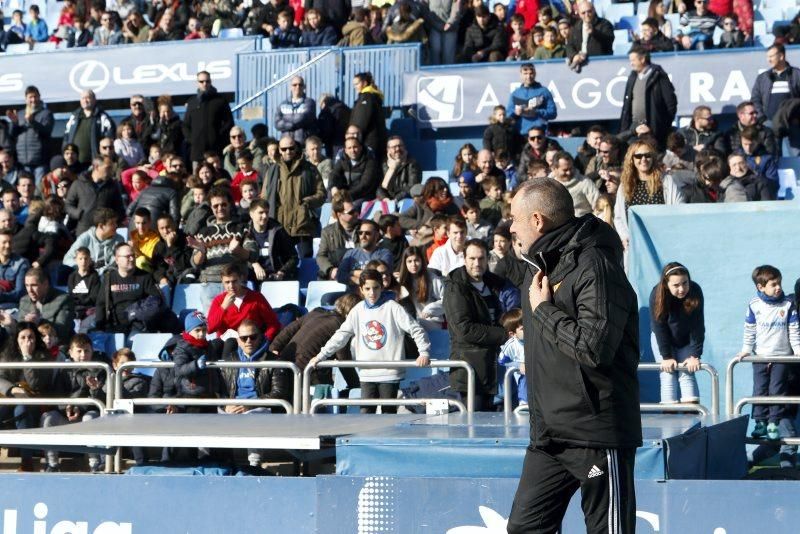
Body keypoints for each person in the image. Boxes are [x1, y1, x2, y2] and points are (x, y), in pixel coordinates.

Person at [506, 178, 641, 534]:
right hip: (549, 436)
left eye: (514, 218)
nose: (510, 226)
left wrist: (544, 311)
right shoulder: (538, 267)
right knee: (524, 528)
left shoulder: (595, 264)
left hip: (594, 436)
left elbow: (594, 348)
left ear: (537, 220)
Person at [309, 269, 431, 414]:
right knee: (365, 414)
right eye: (367, 289)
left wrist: (424, 352)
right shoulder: (357, 310)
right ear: (361, 290)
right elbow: (340, 336)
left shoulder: (393, 307)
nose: (372, 293)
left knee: (388, 414)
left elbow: (416, 329)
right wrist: (321, 355)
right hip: (366, 373)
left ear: (382, 287)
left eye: (376, 288)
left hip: (389, 373)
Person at [443, 238, 519, 411]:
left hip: (492, 366)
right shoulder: (456, 287)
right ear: (464, 259)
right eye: (472, 258)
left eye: (481, 258)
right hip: (470, 367)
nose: (477, 263)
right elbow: (465, 329)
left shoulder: (496, 284)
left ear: (487, 259)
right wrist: (505, 335)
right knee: (473, 427)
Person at [735, 265, 800, 441]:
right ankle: (760, 422)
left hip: (782, 356)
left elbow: (793, 329)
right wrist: (746, 350)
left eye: (779, 283)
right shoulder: (755, 305)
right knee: (760, 389)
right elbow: (750, 329)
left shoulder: (787, 304)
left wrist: (797, 350)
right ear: (760, 287)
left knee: (777, 389)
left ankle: (773, 422)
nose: (778, 287)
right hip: (761, 356)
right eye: (773, 284)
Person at [41, 333, 107, 472]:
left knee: (91, 418)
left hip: (86, 414)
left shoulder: (100, 370)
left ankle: (94, 463)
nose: (83, 355)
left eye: (87, 350)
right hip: (66, 415)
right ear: (70, 352)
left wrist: (95, 389)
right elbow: (57, 396)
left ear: (92, 351)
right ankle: (52, 464)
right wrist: (67, 407)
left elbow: (104, 400)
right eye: (79, 351)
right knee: (48, 418)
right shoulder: (63, 371)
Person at [0, 322, 54, 471]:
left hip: (33, 402)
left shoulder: (43, 356)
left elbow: (36, 384)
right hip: (11, 398)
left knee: (21, 410)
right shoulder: (7, 355)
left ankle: (27, 461)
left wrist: (27, 357)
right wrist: (12, 389)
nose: (27, 341)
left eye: (30, 337)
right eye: (22, 337)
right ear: (16, 339)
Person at [613, 140, 685, 251]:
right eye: (638, 156)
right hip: (634, 245)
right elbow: (618, 216)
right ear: (632, 159)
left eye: (648, 155)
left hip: (662, 243)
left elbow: (679, 209)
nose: (643, 159)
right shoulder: (625, 185)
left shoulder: (666, 181)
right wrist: (624, 236)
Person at [262, 135, 326, 258]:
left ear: (296, 148)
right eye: (284, 149)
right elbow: (265, 198)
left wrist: (307, 202)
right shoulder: (272, 171)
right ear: (279, 150)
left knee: (306, 261)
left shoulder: (310, 169)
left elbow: (322, 194)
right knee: (283, 264)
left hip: (303, 225)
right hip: (279, 225)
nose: (288, 152)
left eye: (291, 148)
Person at [650, 263, 704, 405]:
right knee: (668, 375)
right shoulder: (657, 294)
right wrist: (666, 356)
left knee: (687, 372)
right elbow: (659, 327)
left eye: (685, 283)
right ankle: (669, 421)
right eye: (676, 285)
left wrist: (695, 355)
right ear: (666, 284)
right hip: (662, 338)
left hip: (685, 338)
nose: (681, 289)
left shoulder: (695, 290)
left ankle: (692, 420)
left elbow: (698, 326)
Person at [95, 243, 164, 334]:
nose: (132, 259)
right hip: (115, 326)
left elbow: (156, 300)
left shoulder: (145, 276)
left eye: (133, 255)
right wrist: (100, 329)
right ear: (117, 259)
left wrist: (138, 314)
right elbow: (101, 304)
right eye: (127, 256)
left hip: (139, 326)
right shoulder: (109, 278)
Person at [190, 187, 255, 283]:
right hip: (210, 283)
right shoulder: (203, 232)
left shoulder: (242, 228)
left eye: (223, 204)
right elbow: (195, 263)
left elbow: (253, 255)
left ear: (230, 205)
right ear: (211, 208)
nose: (220, 208)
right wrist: (202, 252)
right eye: (215, 206)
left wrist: (237, 250)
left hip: (236, 283)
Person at [619, 46, 677, 150]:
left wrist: (661, 125)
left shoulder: (659, 76)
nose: (631, 63)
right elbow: (627, 104)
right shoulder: (632, 76)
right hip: (634, 126)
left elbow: (671, 103)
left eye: (633, 60)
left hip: (653, 128)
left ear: (642, 59)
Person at [206, 263, 282, 341]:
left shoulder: (256, 298)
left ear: (241, 278)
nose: (231, 286)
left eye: (234, 281)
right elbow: (209, 329)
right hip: (227, 345)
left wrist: (264, 340)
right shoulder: (218, 300)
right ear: (222, 281)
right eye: (227, 282)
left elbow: (273, 324)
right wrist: (223, 307)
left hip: (251, 342)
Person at [183, 71, 234, 167]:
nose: (205, 84)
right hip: (197, 153)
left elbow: (229, 122)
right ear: (197, 83)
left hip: (216, 152)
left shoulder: (220, 101)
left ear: (211, 82)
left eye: (207, 81)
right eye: (201, 81)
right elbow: (186, 125)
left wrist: (218, 137)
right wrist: (193, 139)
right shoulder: (192, 102)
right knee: (197, 180)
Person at [65, 156, 125, 236]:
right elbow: (68, 205)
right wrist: (79, 214)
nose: (111, 171)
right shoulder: (79, 184)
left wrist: (110, 220)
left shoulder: (113, 186)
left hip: (105, 233)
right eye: (108, 168)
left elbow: (120, 209)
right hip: (84, 231)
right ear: (96, 167)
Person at [172, 311, 224, 402]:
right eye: (197, 330)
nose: (201, 334)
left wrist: (221, 391)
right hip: (191, 396)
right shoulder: (182, 347)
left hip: (211, 395)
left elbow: (216, 371)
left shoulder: (208, 346)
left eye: (204, 330)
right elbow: (179, 369)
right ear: (189, 331)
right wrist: (195, 365)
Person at [7, 86, 53, 184]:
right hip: (22, 163)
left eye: (35, 96)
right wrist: (14, 123)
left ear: (39, 97)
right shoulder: (20, 114)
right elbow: (12, 135)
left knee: (39, 192)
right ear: (25, 99)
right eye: (30, 97)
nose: (33, 100)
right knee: (24, 191)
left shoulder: (46, 114)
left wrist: (32, 122)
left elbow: (47, 131)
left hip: (40, 163)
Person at [18, 267, 75, 344]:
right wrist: (11, 324)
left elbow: (62, 330)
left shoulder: (64, 299)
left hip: (57, 346)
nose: (29, 290)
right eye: (27, 285)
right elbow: (20, 331)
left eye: (34, 285)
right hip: (31, 345)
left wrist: (39, 322)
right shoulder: (24, 301)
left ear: (45, 284)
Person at [247, 198, 297, 282]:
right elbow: (240, 257)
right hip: (252, 277)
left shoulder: (278, 231)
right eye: (261, 213)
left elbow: (293, 257)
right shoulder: (245, 232)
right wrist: (254, 264)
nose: (265, 216)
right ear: (251, 214)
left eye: (266, 212)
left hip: (276, 278)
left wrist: (282, 272)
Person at [62, 90, 115, 168]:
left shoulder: (102, 117)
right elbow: (66, 137)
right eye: (83, 98)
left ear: (94, 100)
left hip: (94, 163)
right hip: (75, 164)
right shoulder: (74, 117)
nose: (85, 101)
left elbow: (109, 138)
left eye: (88, 98)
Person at [63, 208, 124, 275]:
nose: (116, 225)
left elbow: (115, 264)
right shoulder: (85, 238)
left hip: (107, 277)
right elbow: (67, 260)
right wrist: (84, 266)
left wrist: (99, 272)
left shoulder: (119, 240)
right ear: (101, 226)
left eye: (116, 222)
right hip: (87, 277)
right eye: (112, 223)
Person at [397, 246, 444, 330]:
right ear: (405, 263)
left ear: (422, 261)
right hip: (409, 322)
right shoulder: (400, 281)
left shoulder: (432, 278)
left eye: (416, 260)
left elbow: (446, 300)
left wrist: (430, 309)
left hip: (431, 322)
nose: (413, 264)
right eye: (409, 261)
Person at [337, 220, 394, 288]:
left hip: (375, 293)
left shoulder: (384, 253)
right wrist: (359, 281)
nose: (363, 236)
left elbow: (378, 274)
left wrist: (352, 272)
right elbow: (340, 275)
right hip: (352, 294)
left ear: (376, 235)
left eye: (367, 233)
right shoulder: (350, 253)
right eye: (360, 233)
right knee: (327, 297)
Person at [507, 63, 557, 139]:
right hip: (521, 135)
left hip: (539, 134)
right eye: (525, 74)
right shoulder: (515, 93)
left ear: (535, 74)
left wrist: (536, 112)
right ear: (521, 75)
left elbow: (553, 113)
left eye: (531, 73)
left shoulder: (544, 91)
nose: (528, 76)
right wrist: (516, 113)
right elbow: (508, 115)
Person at [317, 192, 359, 281]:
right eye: (351, 212)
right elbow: (321, 256)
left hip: (359, 274)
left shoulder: (364, 229)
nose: (356, 213)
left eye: (355, 210)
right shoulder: (328, 232)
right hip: (337, 275)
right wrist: (330, 270)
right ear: (339, 214)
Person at [565, 2, 614, 73]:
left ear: (594, 10)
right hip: (581, 67)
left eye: (589, 11)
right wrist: (574, 55)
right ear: (579, 13)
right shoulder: (576, 27)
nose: (587, 15)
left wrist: (594, 32)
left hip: (600, 64)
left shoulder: (605, 24)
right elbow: (569, 45)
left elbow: (609, 40)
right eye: (583, 13)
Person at [330, 137, 380, 204]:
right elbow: (334, 175)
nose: (352, 150)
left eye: (355, 147)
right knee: (330, 203)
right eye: (349, 148)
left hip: (363, 196)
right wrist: (333, 187)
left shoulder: (370, 162)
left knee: (352, 207)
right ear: (345, 150)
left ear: (361, 148)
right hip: (344, 196)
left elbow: (365, 185)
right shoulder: (342, 161)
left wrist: (345, 195)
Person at [551, 151, 600, 218]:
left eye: (571, 168)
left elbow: (599, 206)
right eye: (565, 170)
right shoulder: (548, 185)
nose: (568, 172)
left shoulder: (584, 182)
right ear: (554, 169)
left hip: (582, 223)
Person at [349, 72, 387, 156]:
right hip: (374, 140)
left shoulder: (366, 97)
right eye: (354, 84)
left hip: (368, 141)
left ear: (365, 83)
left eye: (357, 84)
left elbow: (361, 120)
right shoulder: (373, 96)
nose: (355, 87)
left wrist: (352, 136)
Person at [498, 308, 527, 407]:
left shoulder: (533, 339)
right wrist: (518, 365)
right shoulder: (511, 345)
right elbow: (501, 361)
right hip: (517, 383)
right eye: (523, 329)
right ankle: (524, 402)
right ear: (512, 334)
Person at [275, 76, 317, 144]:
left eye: (300, 85)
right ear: (290, 87)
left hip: (303, 143)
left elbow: (304, 118)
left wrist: (285, 120)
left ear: (304, 87)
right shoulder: (282, 105)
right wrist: (292, 125)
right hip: (287, 146)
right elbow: (277, 124)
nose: (297, 87)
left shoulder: (309, 102)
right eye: (294, 85)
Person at [378, 136, 421, 202]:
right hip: (387, 200)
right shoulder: (383, 164)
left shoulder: (412, 164)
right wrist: (384, 198)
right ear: (388, 150)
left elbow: (412, 187)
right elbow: (379, 187)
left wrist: (397, 199)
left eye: (400, 146)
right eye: (394, 147)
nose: (397, 149)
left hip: (405, 199)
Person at [67, 247, 100, 325]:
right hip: (75, 308)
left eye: (86, 258)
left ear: (90, 260)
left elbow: (94, 296)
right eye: (80, 259)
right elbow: (71, 295)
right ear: (76, 260)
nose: (83, 261)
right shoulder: (72, 276)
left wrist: (83, 304)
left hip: (89, 308)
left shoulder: (94, 276)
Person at [0, 229, 30, 310]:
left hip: (11, 308)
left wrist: (2, 296)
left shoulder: (21, 264)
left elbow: (20, 293)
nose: (8, 245)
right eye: (4, 242)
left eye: (10, 242)